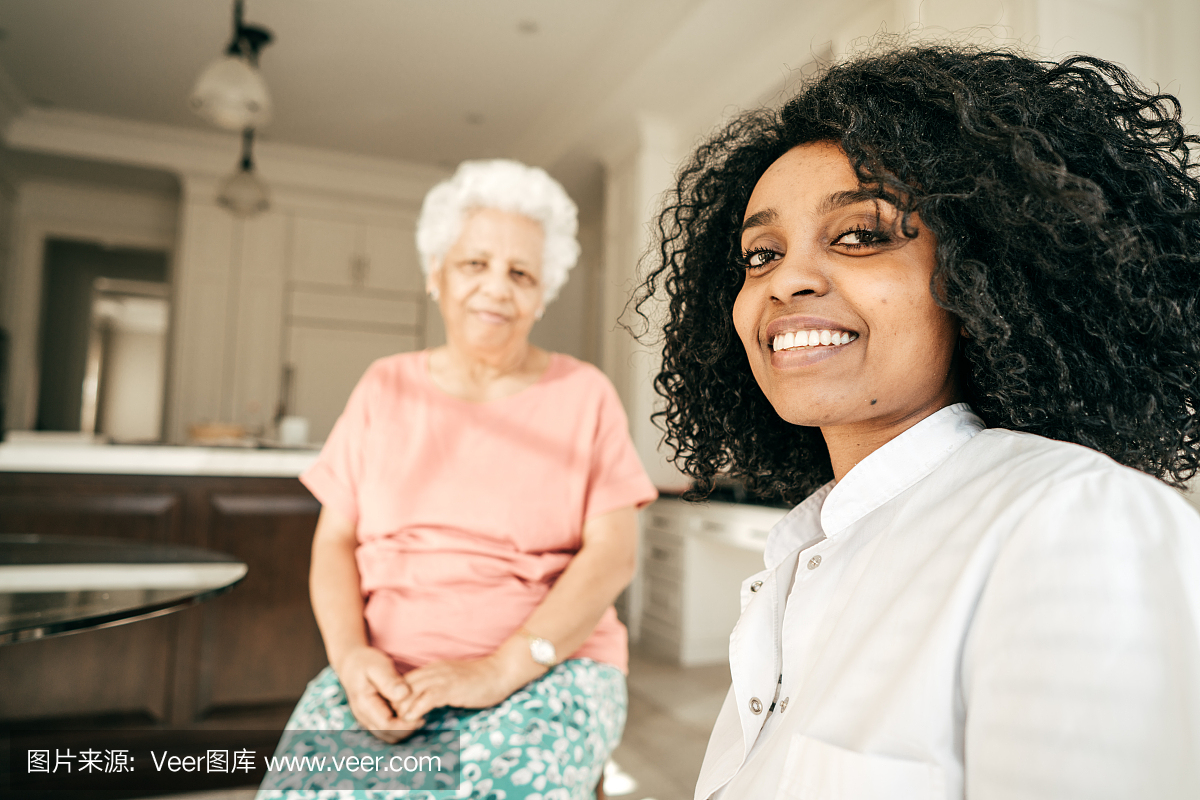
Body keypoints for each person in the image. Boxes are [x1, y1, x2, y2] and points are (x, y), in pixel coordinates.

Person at [637, 44, 1200, 800]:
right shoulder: (807, 546)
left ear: (981, 274)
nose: (786, 281)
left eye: (861, 235)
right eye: (760, 254)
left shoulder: (1077, 521)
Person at [261, 159, 658, 799]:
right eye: (475, 264)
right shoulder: (383, 386)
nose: (497, 289)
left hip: (545, 669)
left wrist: (501, 669)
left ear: (542, 293)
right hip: (387, 670)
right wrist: (352, 659)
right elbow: (334, 541)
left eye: (521, 273)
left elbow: (613, 554)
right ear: (435, 273)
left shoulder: (585, 395)